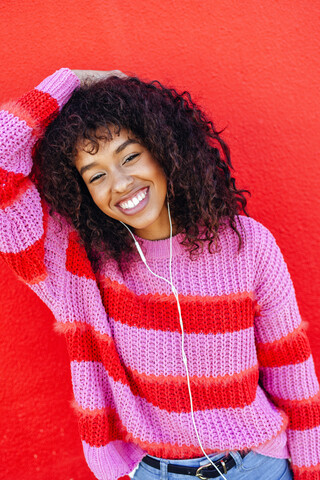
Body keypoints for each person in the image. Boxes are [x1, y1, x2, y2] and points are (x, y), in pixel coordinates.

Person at [0, 68, 319, 480]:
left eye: (130, 155)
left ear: (165, 148)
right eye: (96, 174)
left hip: (260, 467)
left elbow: (292, 373)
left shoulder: (248, 244)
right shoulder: (78, 267)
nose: (120, 183)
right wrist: (72, 79)